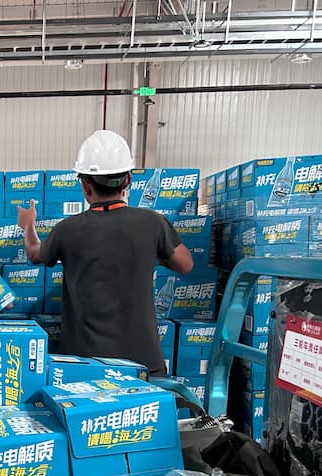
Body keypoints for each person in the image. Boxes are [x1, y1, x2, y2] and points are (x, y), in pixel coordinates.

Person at [17, 130, 193, 376]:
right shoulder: (152, 222)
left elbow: (35, 254)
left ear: (85, 185)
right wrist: (151, 250)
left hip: (83, 366)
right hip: (142, 365)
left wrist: (28, 225)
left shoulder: (67, 229)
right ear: (128, 180)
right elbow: (185, 264)